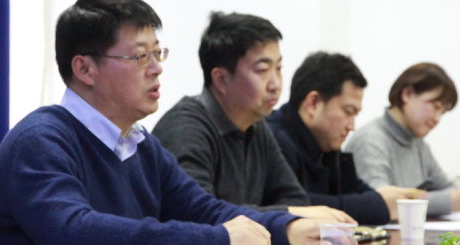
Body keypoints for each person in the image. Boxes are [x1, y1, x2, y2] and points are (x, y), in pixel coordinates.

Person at [0, 0, 324, 245]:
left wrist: (289, 228)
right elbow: (72, 234)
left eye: (158, 54)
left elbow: (206, 211)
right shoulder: (40, 140)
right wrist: (218, 239)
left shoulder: (140, 144)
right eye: (141, 56)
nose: (157, 68)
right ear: (85, 69)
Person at [152, 12, 354, 223]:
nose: (276, 84)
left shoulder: (256, 126)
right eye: (262, 70)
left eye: (279, 69)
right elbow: (197, 215)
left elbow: (296, 200)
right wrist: (285, 214)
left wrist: (285, 212)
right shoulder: (185, 128)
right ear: (221, 80)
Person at [266, 52, 415, 224]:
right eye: (348, 112)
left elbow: (354, 190)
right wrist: (377, 205)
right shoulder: (273, 138)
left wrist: (386, 198)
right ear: (313, 103)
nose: (352, 126)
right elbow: (291, 205)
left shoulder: (325, 145)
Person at [348, 62, 460, 216]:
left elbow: (449, 189)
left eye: (443, 113)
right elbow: (381, 202)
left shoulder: (418, 144)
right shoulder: (370, 140)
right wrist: (450, 202)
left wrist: (453, 198)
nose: (437, 119)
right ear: (407, 94)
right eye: (436, 107)